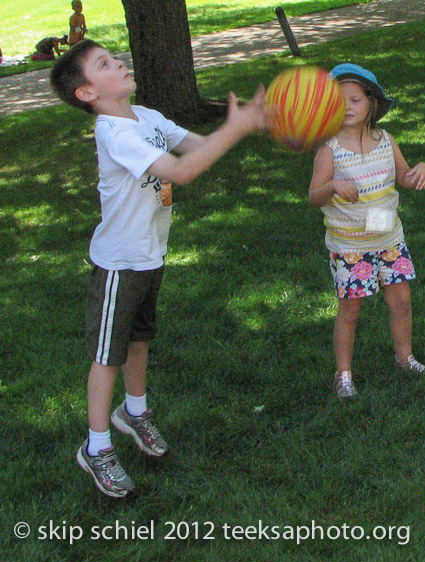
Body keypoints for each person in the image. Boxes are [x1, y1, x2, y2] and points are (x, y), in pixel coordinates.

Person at [50, 39, 272, 497]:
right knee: (107, 356)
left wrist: (243, 125)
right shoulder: (115, 132)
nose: (120, 63)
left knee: (139, 339)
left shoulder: (145, 118)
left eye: (116, 57)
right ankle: (96, 447)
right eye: (105, 64)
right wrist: (236, 128)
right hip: (119, 263)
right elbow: (181, 171)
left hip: (150, 254)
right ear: (87, 93)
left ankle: (135, 411)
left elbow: (197, 148)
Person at [308, 63, 425, 399]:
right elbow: (313, 195)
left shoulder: (386, 140)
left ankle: (405, 358)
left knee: (402, 302)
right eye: (338, 101)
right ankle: (343, 374)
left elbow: (404, 177)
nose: (346, 107)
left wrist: (421, 170)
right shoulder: (329, 150)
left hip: (390, 239)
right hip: (349, 245)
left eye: (355, 99)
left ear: (372, 104)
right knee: (351, 310)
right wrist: (332, 184)